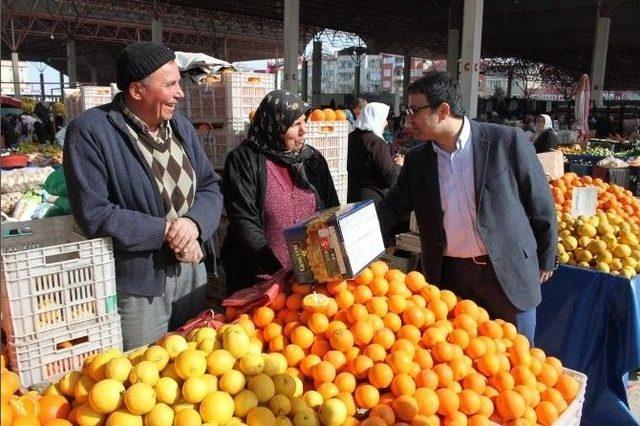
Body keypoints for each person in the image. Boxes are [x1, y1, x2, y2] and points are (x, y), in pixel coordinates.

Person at [377, 71, 557, 343]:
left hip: (506, 273)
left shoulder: (505, 142)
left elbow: (540, 200)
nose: (408, 118)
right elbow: (392, 207)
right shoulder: (417, 161)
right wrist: (349, 235)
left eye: (414, 110)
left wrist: (547, 256)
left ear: (443, 110)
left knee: (520, 364)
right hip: (451, 278)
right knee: (463, 366)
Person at [64, 42, 223, 350]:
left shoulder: (181, 127)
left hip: (192, 267)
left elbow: (209, 186)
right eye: (171, 84)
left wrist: (193, 225)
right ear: (136, 91)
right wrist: (165, 231)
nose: (180, 93)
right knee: (144, 374)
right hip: (141, 284)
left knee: (196, 367)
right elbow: (94, 213)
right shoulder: (90, 132)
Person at [221, 90, 339, 293]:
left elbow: (331, 211)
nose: (304, 131)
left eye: (305, 122)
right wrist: (279, 272)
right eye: (295, 125)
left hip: (308, 282)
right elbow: (244, 222)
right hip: (259, 280)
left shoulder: (313, 160)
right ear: (274, 126)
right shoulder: (244, 160)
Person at [347, 102, 403, 205]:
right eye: (384, 118)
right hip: (374, 202)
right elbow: (391, 178)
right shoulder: (376, 143)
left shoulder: (352, 137)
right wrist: (399, 163)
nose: (386, 123)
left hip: (353, 198)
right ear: (376, 118)